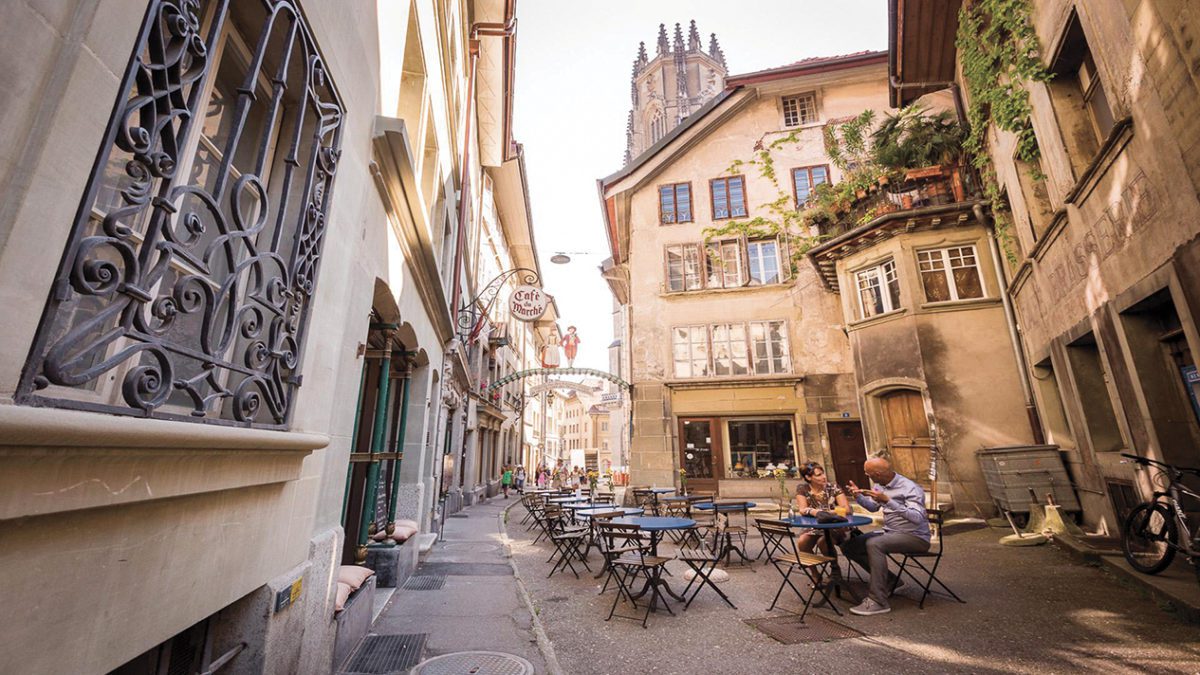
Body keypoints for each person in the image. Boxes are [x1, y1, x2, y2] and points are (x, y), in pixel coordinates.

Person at [842, 457, 931, 616]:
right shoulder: (879, 485)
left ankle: (878, 601)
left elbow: (918, 517)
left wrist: (888, 501)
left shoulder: (910, 488)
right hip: (891, 532)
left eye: (868, 474)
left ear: (877, 474)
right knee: (850, 545)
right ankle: (891, 581)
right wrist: (858, 496)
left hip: (914, 536)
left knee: (875, 544)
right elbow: (873, 507)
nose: (866, 476)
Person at [793, 462, 852, 554]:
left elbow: (846, 509)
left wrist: (822, 513)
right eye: (819, 475)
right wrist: (815, 512)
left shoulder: (833, 487)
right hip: (816, 526)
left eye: (823, 473)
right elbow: (802, 510)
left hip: (835, 525)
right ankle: (813, 569)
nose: (824, 477)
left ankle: (834, 567)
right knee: (802, 542)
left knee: (823, 542)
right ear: (808, 477)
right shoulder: (803, 489)